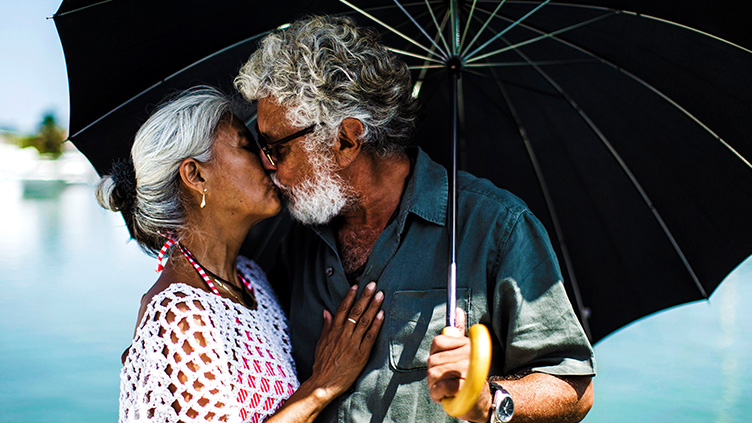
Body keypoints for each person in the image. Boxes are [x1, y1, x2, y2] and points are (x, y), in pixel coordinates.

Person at [234, 15, 596, 423]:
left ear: (346, 139)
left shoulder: (496, 226)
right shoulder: (294, 240)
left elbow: (574, 388)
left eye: (276, 148)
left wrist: (490, 400)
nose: (268, 167)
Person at [96, 86, 385, 423]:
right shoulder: (181, 316)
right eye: (247, 147)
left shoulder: (252, 278)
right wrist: (323, 385)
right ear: (196, 175)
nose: (267, 160)